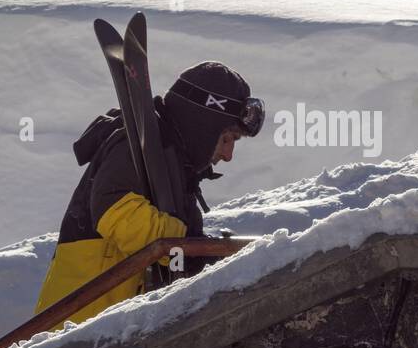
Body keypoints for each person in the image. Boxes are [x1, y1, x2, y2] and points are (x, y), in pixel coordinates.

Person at [34, 61, 262, 324]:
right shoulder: (136, 145)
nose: (228, 155)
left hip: (108, 331)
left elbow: (173, 256)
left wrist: (204, 254)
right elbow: (116, 211)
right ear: (202, 125)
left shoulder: (175, 170)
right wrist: (188, 246)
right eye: (226, 139)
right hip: (75, 330)